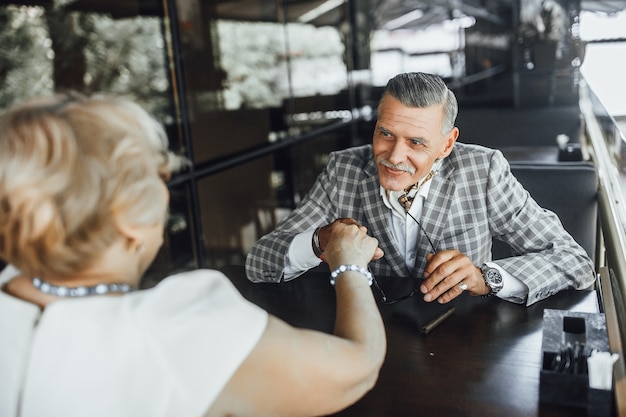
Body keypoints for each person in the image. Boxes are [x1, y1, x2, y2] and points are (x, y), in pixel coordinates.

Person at [0, 93, 386, 417]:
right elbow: (357, 370)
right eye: (159, 177)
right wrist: (350, 264)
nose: (167, 189)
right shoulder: (180, 327)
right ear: (128, 218)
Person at [246, 71, 595, 306]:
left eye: (416, 142)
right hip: (372, 341)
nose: (394, 156)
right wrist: (320, 241)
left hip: (466, 347)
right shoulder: (342, 170)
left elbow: (575, 261)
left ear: (446, 145)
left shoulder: (484, 171)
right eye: (385, 134)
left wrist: (486, 278)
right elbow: (259, 263)